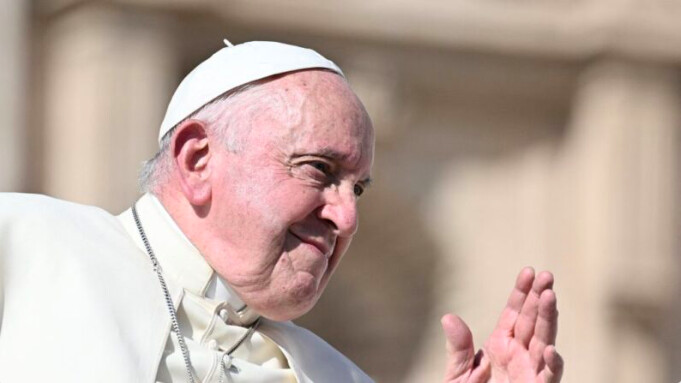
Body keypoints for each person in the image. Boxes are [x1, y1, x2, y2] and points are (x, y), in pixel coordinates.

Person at [0, 41, 563, 382]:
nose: (348, 218)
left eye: (357, 189)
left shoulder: (338, 377)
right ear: (197, 159)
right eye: (319, 170)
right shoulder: (25, 247)